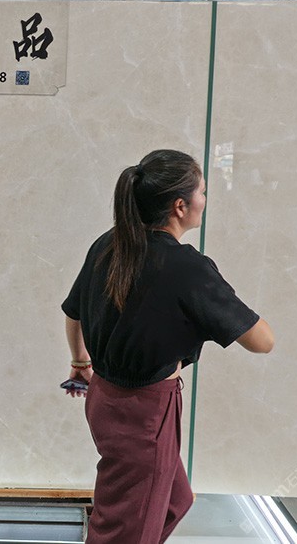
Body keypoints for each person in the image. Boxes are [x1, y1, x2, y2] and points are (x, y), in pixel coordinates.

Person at [61, 149, 275, 544]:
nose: (205, 200)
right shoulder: (187, 267)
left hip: (105, 398)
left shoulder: (108, 244)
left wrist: (79, 361)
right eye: (202, 192)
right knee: (126, 530)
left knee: (175, 501)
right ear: (180, 206)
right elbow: (263, 341)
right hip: (144, 412)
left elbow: (73, 313)